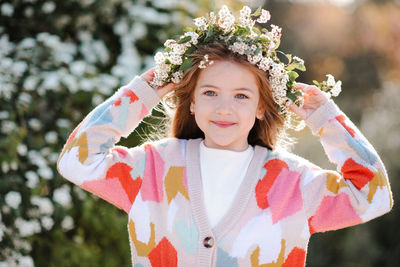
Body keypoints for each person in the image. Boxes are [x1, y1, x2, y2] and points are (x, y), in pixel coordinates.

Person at [57, 5, 393, 267]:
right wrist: (142, 93)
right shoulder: (152, 169)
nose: (224, 109)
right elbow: (77, 160)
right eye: (210, 93)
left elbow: (373, 196)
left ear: (262, 107)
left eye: (242, 96)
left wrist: (325, 118)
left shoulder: (295, 184)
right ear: (191, 102)